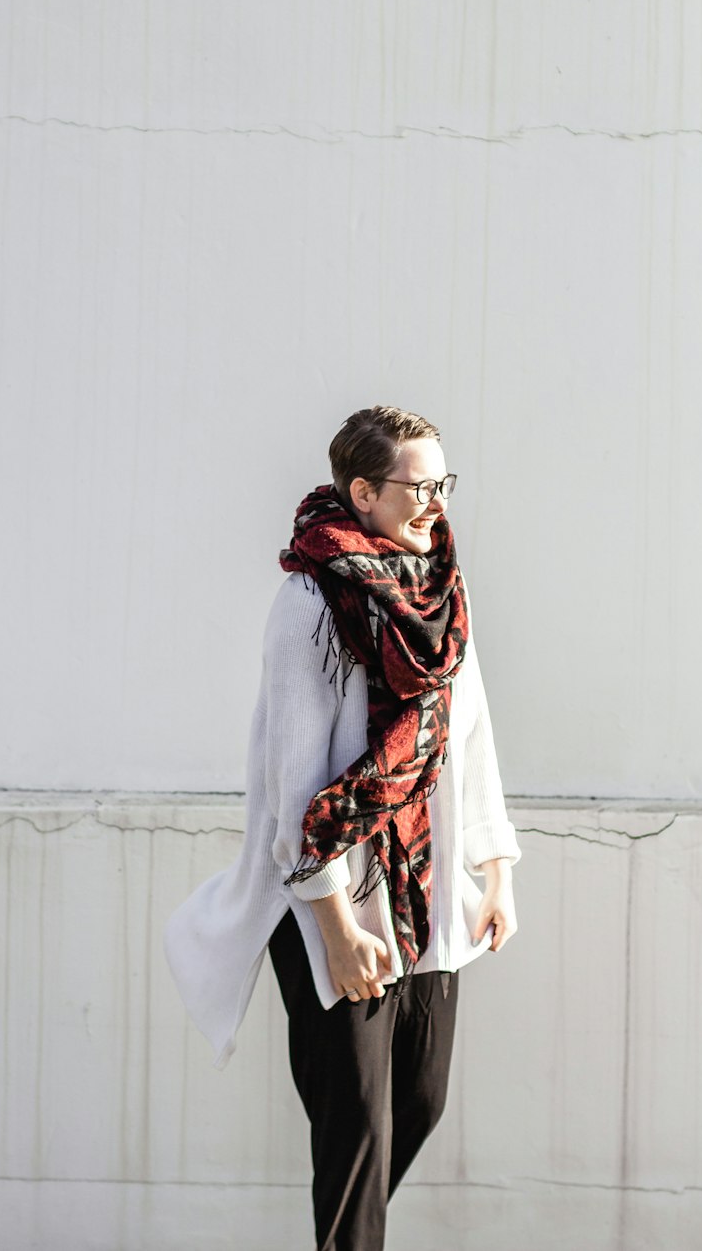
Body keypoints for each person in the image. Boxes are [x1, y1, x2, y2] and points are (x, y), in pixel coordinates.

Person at [164, 405, 519, 1251]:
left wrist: (494, 866)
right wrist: (334, 929)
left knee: (418, 1105)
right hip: (335, 906)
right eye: (416, 485)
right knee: (355, 1131)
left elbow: (471, 730)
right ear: (361, 493)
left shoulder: (441, 589)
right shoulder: (308, 605)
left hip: (428, 894)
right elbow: (295, 793)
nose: (434, 500)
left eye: (443, 482)